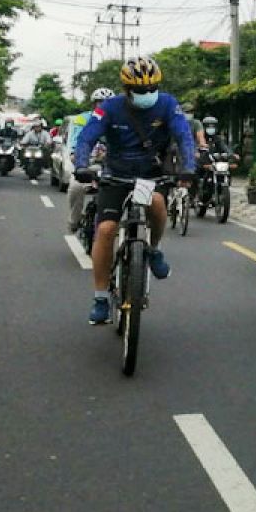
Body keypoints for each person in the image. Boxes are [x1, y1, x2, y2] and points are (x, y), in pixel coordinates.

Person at [73, 56, 195, 326]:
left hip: (151, 174)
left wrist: (189, 168)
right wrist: (81, 164)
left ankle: (153, 249)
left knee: (158, 204)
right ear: (127, 89)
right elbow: (87, 137)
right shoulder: (109, 108)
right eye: (140, 91)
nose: (147, 94)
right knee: (105, 230)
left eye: (152, 88)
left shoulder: (168, 104)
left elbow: (184, 136)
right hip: (116, 174)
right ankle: (101, 297)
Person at [66, 88, 114, 233]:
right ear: (94, 104)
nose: (103, 105)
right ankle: (74, 220)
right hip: (88, 164)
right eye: (100, 102)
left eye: (107, 103)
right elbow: (75, 145)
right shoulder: (81, 119)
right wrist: (79, 159)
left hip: (111, 166)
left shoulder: (119, 121)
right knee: (76, 188)